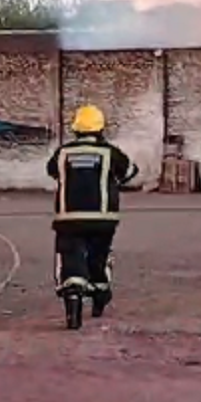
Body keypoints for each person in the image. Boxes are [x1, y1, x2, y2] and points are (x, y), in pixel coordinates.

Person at [46, 104, 138, 330]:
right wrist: (112, 182)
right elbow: (131, 172)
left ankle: (73, 301)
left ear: (75, 129)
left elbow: (52, 172)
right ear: (100, 129)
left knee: (71, 258)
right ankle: (100, 296)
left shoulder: (63, 152)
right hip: (103, 217)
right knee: (99, 257)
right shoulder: (109, 152)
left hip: (69, 218)